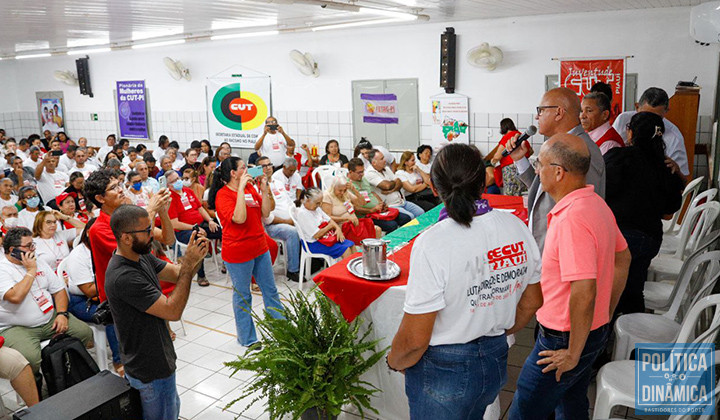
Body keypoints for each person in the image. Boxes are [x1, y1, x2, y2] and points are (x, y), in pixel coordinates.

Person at [387, 143, 543, 419]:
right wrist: (497, 331)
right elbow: (532, 302)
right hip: (495, 359)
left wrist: (394, 361)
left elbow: (414, 339)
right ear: (484, 181)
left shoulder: (433, 242)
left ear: (434, 189)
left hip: (444, 369)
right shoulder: (516, 227)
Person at [508, 134, 631, 420]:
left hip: (563, 338)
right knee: (572, 401)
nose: (536, 170)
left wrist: (573, 352)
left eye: (539, 163)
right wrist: (606, 311)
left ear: (559, 172)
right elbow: (622, 258)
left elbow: (584, 290)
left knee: (525, 408)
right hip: (589, 329)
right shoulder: (596, 204)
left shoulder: (572, 218)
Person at [105, 204, 208, 420]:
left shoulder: (140, 256)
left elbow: (177, 274)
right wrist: (189, 264)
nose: (152, 234)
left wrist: (195, 254)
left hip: (159, 359)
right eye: (146, 231)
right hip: (149, 369)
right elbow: (172, 310)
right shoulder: (123, 276)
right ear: (125, 238)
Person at [507, 87, 605, 252]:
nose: (537, 116)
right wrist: (519, 159)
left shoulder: (582, 149)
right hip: (547, 250)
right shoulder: (557, 144)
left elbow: (586, 208)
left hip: (566, 252)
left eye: (541, 110)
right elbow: (543, 190)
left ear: (559, 113)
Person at [605, 112, 684, 315]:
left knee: (610, 292)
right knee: (633, 289)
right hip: (649, 239)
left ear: (631, 133)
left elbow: (601, 191)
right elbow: (669, 212)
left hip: (619, 238)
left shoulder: (618, 157)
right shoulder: (666, 167)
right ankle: (630, 338)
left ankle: (605, 340)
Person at [208, 157, 284, 347]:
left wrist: (265, 189)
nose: (248, 170)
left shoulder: (251, 189)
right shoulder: (223, 195)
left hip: (259, 246)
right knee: (243, 295)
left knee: (270, 290)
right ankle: (247, 338)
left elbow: (265, 213)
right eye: (243, 168)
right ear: (234, 173)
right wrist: (241, 189)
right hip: (238, 251)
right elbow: (239, 218)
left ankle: (282, 330)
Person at [0, 227, 93, 374]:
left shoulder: (38, 261)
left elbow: (59, 290)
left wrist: (62, 314)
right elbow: (15, 297)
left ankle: (67, 373)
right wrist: (31, 271)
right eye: (28, 246)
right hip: (17, 326)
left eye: (33, 244)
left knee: (85, 333)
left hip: (50, 317)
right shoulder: (3, 268)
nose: (33, 249)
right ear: (12, 250)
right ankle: (39, 390)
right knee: (31, 358)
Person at [85, 169, 175, 302]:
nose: (121, 190)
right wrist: (151, 210)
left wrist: (162, 212)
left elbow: (168, 239)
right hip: (125, 293)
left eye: (119, 185)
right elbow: (138, 253)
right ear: (100, 198)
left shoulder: (128, 215)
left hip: (146, 278)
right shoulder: (99, 229)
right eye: (113, 188)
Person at [63, 219, 123, 374]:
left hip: (106, 291)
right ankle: (119, 361)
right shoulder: (78, 255)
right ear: (89, 233)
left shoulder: (109, 247)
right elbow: (89, 290)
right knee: (111, 313)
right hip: (82, 300)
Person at [612, 87, 689, 177]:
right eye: (644, 115)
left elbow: (683, 179)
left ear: (666, 111)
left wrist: (677, 172)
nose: (649, 122)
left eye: (656, 118)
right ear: (637, 107)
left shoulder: (674, 137)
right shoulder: (623, 120)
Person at [164, 169, 221, 287]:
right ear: (169, 185)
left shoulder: (188, 191)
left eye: (178, 178)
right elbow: (174, 223)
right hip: (184, 230)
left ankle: (227, 263)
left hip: (200, 224)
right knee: (199, 240)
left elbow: (200, 208)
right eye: (174, 181)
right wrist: (194, 228)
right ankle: (201, 275)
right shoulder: (170, 198)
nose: (178, 181)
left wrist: (210, 221)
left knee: (222, 231)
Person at [257, 157, 301, 282]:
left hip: (290, 219)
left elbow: (289, 203)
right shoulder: (258, 187)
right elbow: (266, 218)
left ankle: (312, 261)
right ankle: (293, 270)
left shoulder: (278, 182)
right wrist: (288, 221)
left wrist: (297, 215)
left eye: (269, 164)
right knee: (292, 232)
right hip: (271, 226)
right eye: (263, 166)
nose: (268, 168)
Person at [347, 158, 411, 233]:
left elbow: (372, 193)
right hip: (366, 215)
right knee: (392, 225)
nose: (362, 174)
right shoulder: (347, 185)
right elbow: (354, 208)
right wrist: (370, 210)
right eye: (359, 172)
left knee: (406, 218)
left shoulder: (363, 179)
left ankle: (404, 240)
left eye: (363, 171)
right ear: (351, 172)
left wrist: (381, 203)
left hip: (378, 211)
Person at [295, 188, 356, 259]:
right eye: (317, 203)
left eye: (320, 202)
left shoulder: (315, 208)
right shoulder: (303, 214)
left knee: (351, 244)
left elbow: (329, 219)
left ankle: (355, 268)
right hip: (314, 243)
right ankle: (346, 269)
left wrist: (338, 229)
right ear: (308, 201)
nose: (319, 205)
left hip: (326, 237)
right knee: (345, 250)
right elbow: (316, 235)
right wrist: (330, 226)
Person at [364, 149, 424, 220]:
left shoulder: (386, 168)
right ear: (374, 163)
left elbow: (399, 183)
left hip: (402, 201)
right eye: (382, 159)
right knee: (410, 217)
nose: (385, 160)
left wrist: (390, 190)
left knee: (421, 212)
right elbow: (387, 186)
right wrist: (393, 183)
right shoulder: (370, 173)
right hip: (391, 206)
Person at [321, 175, 381, 243]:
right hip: (342, 227)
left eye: (344, 190)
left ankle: (376, 251)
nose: (342, 193)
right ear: (333, 187)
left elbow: (363, 203)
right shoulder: (327, 196)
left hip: (354, 225)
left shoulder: (346, 193)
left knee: (377, 229)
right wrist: (346, 219)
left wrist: (354, 189)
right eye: (340, 190)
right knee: (369, 235)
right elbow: (327, 217)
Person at [491, 118, 531, 196]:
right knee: (522, 196)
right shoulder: (521, 135)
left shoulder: (507, 137)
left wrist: (492, 160)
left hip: (510, 171)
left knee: (511, 196)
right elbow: (530, 151)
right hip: (524, 170)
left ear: (502, 128)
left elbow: (498, 156)